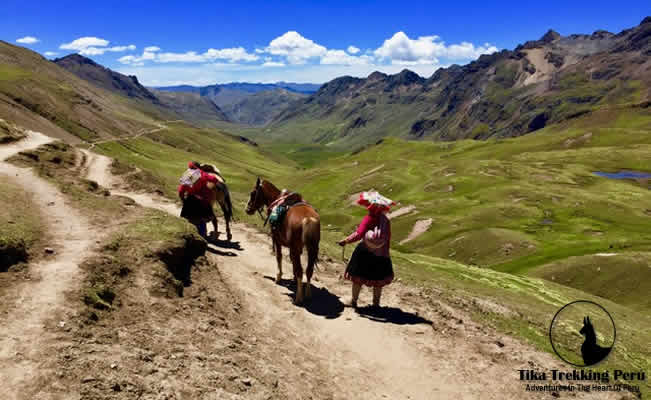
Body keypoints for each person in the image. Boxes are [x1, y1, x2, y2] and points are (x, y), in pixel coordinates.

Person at [338, 191, 395, 308]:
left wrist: (346, 241)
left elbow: (358, 234)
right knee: (378, 282)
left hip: (365, 253)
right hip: (382, 255)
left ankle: (353, 301)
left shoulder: (369, 218)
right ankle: (376, 304)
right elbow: (387, 238)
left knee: (357, 278)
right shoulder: (386, 221)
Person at [178, 161, 218, 238]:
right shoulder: (203, 174)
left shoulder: (188, 175)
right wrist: (207, 188)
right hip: (202, 201)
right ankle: (202, 238)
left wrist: (183, 199)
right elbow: (214, 179)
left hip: (190, 200)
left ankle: (186, 236)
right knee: (201, 221)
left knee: (186, 219)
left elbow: (181, 191)